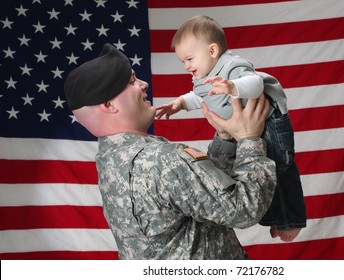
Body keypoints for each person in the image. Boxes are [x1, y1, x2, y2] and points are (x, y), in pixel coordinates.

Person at [64, 43, 277, 260]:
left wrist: (225, 138)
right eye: (131, 82)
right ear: (109, 105)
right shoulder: (162, 159)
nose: (143, 84)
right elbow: (244, 209)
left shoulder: (111, 158)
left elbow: (200, 197)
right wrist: (249, 139)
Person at [156, 15, 306, 242]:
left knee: (280, 167)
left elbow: (255, 84)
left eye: (189, 59)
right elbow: (199, 96)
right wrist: (180, 104)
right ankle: (277, 218)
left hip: (270, 123)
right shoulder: (205, 76)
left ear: (213, 50)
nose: (186, 66)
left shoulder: (232, 66)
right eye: (182, 62)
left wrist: (232, 86)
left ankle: (291, 220)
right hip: (244, 132)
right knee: (258, 173)